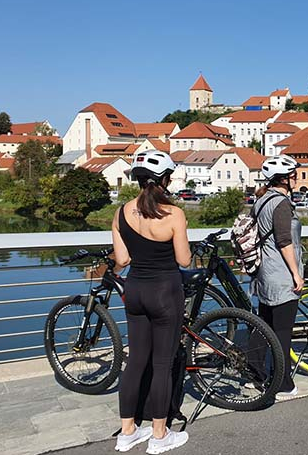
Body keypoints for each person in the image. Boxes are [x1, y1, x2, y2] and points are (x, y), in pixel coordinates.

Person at [112, 150, 191, 454]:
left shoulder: (120, 213)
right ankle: (160, 436)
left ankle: (128, 431)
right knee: (162, 365)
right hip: (164, 293)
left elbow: (122, 259)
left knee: (135, 363)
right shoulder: (174, 214)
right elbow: (184, 260)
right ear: (164, 180)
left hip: (135, 291)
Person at [247, 154, 304, 399]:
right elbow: (284, 241)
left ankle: (255, 375)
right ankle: (282, 384)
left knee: (263, 326)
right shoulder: (281, 203)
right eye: (293, 175)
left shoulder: (260, 200)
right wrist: (295, 274)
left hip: (264, 273)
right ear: (283, 178)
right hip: (281, 274)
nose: (296, 178)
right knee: (282, 331)